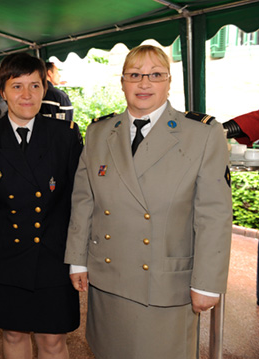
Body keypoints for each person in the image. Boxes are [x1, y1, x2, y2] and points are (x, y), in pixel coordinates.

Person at [64, 45, 232, 359]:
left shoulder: (201, 134)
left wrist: (208, 282)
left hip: (163, 284)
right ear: (123, 82)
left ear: (169, 82)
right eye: (135, 75)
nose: (144, 84)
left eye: (155, 75)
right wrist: (78, 259)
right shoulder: (100, 132)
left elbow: (214, 214)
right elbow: (84, 200)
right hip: (108, 280)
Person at [0, 52, 82, 359]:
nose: (27, 94)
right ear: (2, 91)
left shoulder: (66, 136)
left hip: (54, 254)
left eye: (35, 85)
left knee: (53, 341)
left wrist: (79, 257)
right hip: (4, 254)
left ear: (45, 89)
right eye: (17, 86)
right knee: (14, 333)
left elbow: (80, 200)